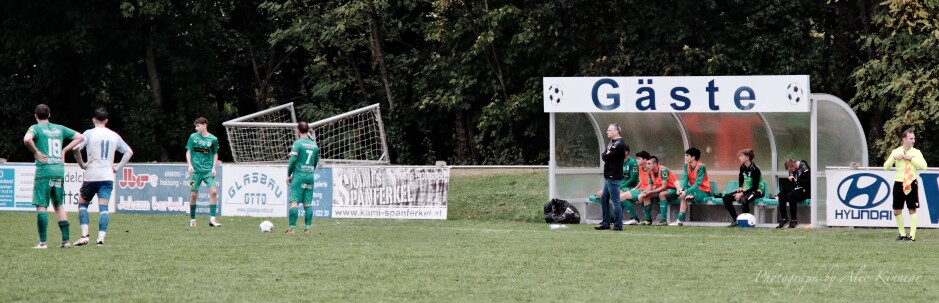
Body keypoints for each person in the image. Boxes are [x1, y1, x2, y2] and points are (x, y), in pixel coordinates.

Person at [23, 104, 84, 249]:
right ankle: (66, 241)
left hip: (44, 171)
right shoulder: (60, 128)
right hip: (58, 170)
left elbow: (27, 139)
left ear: (35, 116)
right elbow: (80, 137)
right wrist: (64, 150)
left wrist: (36, 152)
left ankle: (43, 242)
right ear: (49, 115)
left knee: (41, 206)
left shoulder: (35, 128)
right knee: (58, 205)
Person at [71, 108, 133, 246]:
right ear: (106, 121)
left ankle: (84, 235)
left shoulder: (88, 133)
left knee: (82, 204)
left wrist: (82, 164)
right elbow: (128, 151)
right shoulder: (114, 135)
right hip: (107, 176)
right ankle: (100, 239)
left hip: (91, 175)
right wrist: (117, 168)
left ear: (93, 119)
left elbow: (75, 148)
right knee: (104, 208)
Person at [884, 129, 927, 242]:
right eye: (911, 138)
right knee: (897, 210)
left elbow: (924, 166)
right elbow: (886, 167)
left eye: (914, 138)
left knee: (912, 209)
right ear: (904, 139)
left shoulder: (916, 152)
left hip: (911, 182)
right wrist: (894, 158)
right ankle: (902, 234)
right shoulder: (896, 151)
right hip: (899, 183)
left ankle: (911, 236)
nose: (913, 140)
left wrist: (911, 158)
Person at [588, 145, 639, 224]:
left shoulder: (632, 162)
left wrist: (621, 186)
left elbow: (633, 179)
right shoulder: (617, 162)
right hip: (616, 185)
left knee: (619, 194)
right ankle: (610, 218)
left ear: (626, 152)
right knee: (600, 194)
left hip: (628, 186)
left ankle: (634, 218)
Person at [286, 122, 320, 234]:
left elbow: (292, 161)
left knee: (294, 202)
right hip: (310, 176)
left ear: (298, 131)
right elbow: (315, 163)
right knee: (308, 203)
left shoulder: (298, 144)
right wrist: (309, 170)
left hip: (299, 176)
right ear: (308, 131)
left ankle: (292, 229)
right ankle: (307, 229)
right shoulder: (314, 145)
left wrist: (288, 174)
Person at [186, 117, 220, 227]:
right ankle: (192, 220)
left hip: (207, 171)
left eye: (198, 126)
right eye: (195, 126)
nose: (196, 128)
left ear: (204, 125)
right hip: (195, 172)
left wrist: (214, 168)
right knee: (193, 194)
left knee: (214, 191)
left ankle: (213, 219)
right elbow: (188, 152)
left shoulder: (213, 139)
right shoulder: (193, 137)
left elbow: (215, 154)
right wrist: (190, 165)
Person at [594, 123, 627, 231]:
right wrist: (606, 154)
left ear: (616, 132)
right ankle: (606, 223)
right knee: (603, 199)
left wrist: (607, 154)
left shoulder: (620, 144)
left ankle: (618, 225)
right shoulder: (611, 143)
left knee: (615, 201)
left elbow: (607, 157)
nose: (607, 132)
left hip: (614, 175)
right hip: (609, 175)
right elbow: (604, 155)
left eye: (609, 130)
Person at [722, 148, 763, 227]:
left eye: (741, 156)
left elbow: (754, 187)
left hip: (757, 191)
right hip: (746, 190)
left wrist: (741, 194)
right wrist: (740, 187)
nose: (739, 157)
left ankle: (745, 222)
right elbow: (741, 177)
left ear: (747, 158)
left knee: (744, 199)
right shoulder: (742, 167)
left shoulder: (755, 170)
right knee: (726, 198)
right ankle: (736, 220)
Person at [671, 147, 711, 226]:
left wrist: (686, 191)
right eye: (685, 155)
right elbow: (685, 179)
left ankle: (690, 196)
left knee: (684, 194)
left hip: (703, 191)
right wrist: (681, 189)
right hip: (692, 190)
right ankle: (679, 220)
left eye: (687, 155)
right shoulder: (686, 165)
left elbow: (697, 184)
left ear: (693, 157)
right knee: (682, 193)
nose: (685, 157)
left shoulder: (701, 167)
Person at [639, 155, 677, 226]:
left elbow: (664, 187)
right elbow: (649, 186)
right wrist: (645, 192)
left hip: (673, 190)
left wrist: (651, 192)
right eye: (647, 164)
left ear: (655, 164)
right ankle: (647, 220)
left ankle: (663, 220)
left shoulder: (663, 170)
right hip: (660, 190)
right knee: (645, 196)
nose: (647, 166)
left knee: (662, 194)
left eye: (649, 164)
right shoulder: (650, 172)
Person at [776, 159, 809, 229]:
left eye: (791, 170)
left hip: (806, 191)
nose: (790, 172)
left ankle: (794, 220)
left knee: (791, 195)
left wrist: (797, 180)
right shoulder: (792, 170)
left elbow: (809, 181)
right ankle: (784, 218)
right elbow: (793, 184)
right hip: (796, 190)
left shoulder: (804, 167)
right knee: (781, 195)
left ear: (794, 165)